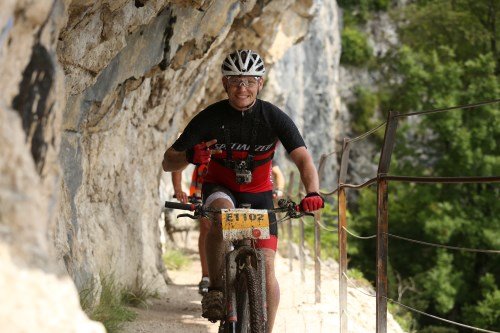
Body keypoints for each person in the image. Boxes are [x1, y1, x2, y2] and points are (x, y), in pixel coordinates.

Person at [162, 49, 324, 332]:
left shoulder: (273, 117)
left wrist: (312, 192)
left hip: (260, 194)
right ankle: (215, 290)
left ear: (260, 84)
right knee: (222, 218)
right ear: (224, 84)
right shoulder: (209, 117)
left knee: (269, 272)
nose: (242, 88)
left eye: (250, 81)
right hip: (221, 187)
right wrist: (189, 157)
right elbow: (167, 161)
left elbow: (303, 158)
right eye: (235, 80)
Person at [171, 164, 210, 295]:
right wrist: (178, 189)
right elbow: (178, 162)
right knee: (206, 226)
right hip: (202, 191)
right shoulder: (201, 144)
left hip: (233, 189)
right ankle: (206, 276)